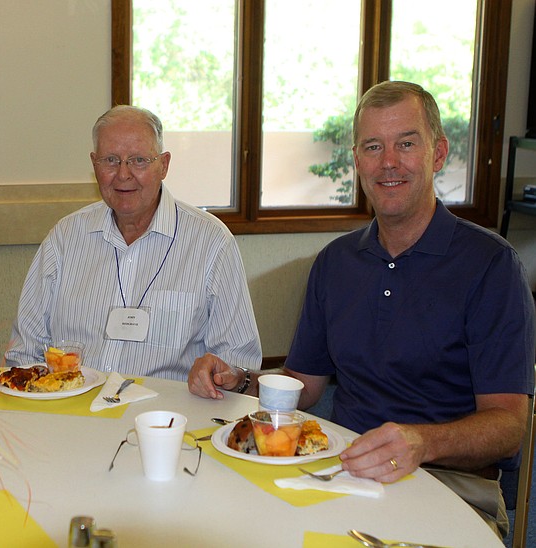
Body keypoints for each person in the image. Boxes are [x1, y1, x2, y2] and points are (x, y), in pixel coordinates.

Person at [188, 81, 535, 537]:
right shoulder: (335, 263)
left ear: (437, 154)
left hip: (451, 488)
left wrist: (420, 443)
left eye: (406, 144)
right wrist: (243, 380)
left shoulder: (491, 265)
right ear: (357, 161)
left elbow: (509, 425)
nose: (388, 162)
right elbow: (304, 387)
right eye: (373, 147)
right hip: (338, 472)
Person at [6, 105, 262, 380]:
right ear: (95, 165)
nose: (124, 174)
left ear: (163, 165)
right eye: (111, 160)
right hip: (73, 410)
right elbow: (24, 353)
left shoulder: (211, 243)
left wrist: (227, 375)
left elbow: (237, 362)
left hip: (165, 416)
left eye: (139, 160)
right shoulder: (64, 239)